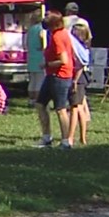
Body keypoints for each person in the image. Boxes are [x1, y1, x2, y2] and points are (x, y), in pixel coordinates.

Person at [34, 11, 75, 149]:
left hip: (59, 77)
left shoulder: (58, 36)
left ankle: (65, 141)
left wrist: (47, 64)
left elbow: (63, 60)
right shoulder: (58, 34)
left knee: (61, 109)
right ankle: (46, 137)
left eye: (47, 18)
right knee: (40, 104)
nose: (44, 20)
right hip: (52, 76)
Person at [68, 22, 92, 146]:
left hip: (79, 78)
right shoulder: (85, 46)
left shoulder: (79, 48)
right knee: (81, 107)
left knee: (75, 108)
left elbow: (80, 66)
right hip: (83, 77)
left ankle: (70, 137)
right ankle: (82, 138)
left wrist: (75, 81)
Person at [25, 15, 46, 106]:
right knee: (39, 80)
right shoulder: (41, 29)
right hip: (39, 55)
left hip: (31, 56)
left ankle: (31, 99)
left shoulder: (30, 30)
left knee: (32, 79)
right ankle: (38, 100)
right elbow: (43, 40)